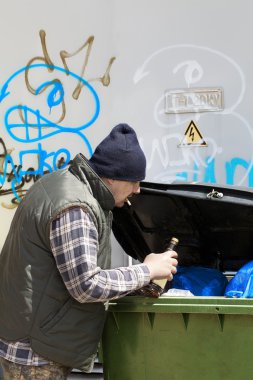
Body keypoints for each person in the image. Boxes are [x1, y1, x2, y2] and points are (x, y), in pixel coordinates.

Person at [0, 123, 178, 379]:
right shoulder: (75, 207)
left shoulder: (64, 183)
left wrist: (141, 280)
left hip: (32, 336)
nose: (138, 190)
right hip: (34, 350)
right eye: (135, 181)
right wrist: (147, 270)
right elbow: (86, 285)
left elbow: (76, 271)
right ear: (112, 177)